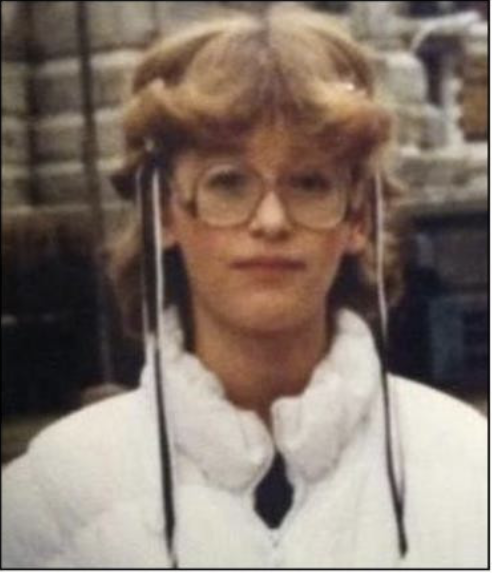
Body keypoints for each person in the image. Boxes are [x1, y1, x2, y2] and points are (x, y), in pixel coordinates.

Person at [2, 3, 487, 568]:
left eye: (309, 182)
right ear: (164, 211)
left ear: (359, 216)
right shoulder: (53, 499)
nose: (271, 221)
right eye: (228, 182)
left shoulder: (469, 468)